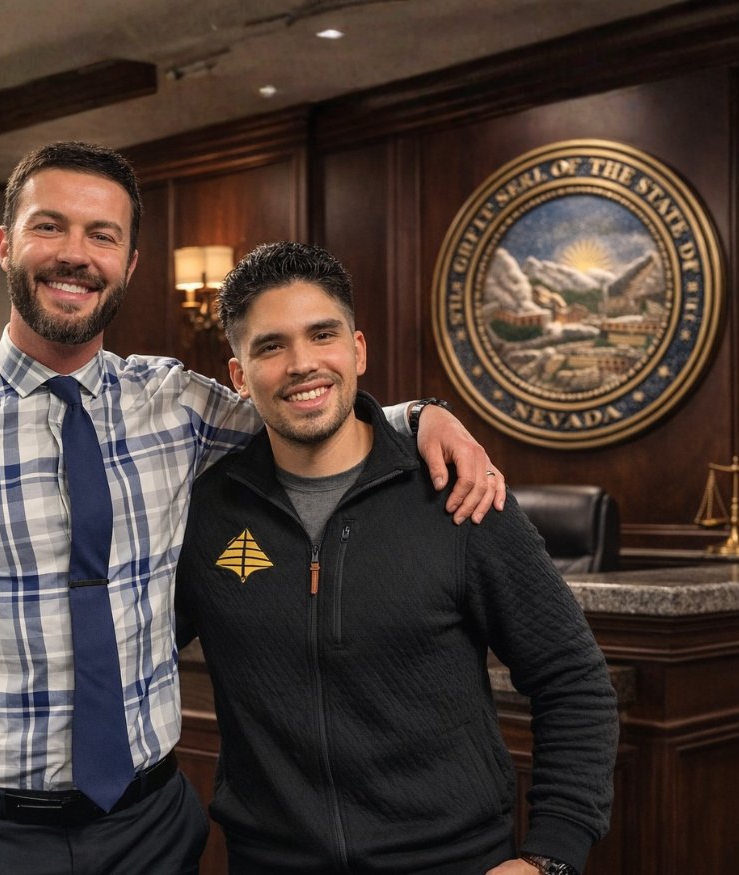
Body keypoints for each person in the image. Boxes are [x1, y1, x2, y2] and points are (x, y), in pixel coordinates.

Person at [0, 142, 508, 875]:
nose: (75, 254)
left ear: (130, 263)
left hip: (149, 833)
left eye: (101, 235)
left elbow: (306, 415)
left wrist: (419, 415)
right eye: (49, 227)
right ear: (5, 243)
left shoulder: (177, 406)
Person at [174, 242, 618, 875]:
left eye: (321, 335)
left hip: (453, 861)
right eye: (271, 346)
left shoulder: (460, 490)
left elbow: (572, 680)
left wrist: (551, 856)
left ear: (357, 350)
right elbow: (134, 652)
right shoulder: (207, 511)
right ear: (240, 375)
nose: (302, 364)